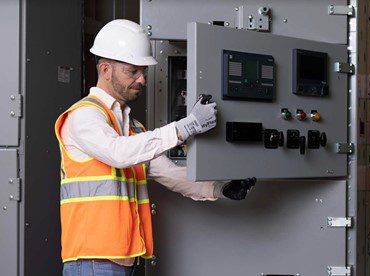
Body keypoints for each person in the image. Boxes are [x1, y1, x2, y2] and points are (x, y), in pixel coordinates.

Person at [54, 19, 256, 276]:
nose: (142, 80)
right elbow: (119, 153)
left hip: (126, 258)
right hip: (93, 260)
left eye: (143, 72)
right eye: (132, 71)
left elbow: (169, 173)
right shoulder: (83, 117)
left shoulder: (132, 127)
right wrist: (187, 126)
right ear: (105, 70)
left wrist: (221, 188)